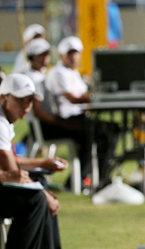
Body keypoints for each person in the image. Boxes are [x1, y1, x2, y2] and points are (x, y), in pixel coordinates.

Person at [0, 74, 77, 249]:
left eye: (30, 100)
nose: (27, 106)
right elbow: (12, 173)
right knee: (35, 200)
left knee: (39, 188)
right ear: (3, 97)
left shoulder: (2, 119)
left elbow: (9, 162)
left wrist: (43, 163)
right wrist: (44, 193)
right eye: (21, 99)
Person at [44, 36, 117, 187]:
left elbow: (83, 97)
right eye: (70, 53)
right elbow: (74, 99)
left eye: (76, 53)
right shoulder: (59, 73)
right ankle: (91, 177)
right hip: (66, 120)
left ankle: (91, 176)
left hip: (78, 116)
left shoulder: (74, 73)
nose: (73, 57)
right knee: (107, 131)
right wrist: (98, 96)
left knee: (109, 130)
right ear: (61, 55)